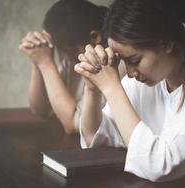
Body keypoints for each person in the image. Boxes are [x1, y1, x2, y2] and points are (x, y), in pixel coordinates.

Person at [74, 0, 185, 188]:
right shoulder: (142, 82)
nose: (129, 73)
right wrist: (92, 90)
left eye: (134, 60)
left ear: (167, 43)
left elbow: (160, 164)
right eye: (123, 61)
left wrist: (112, 88)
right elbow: (97, 139)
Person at [19, 0, 126, 134]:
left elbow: (73, 124)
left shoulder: (115, 64)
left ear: (95, 37)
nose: (65, 57)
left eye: (67, 50)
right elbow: (41, 110)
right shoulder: (73, 60)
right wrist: (37, 60)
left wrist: (45, 63)